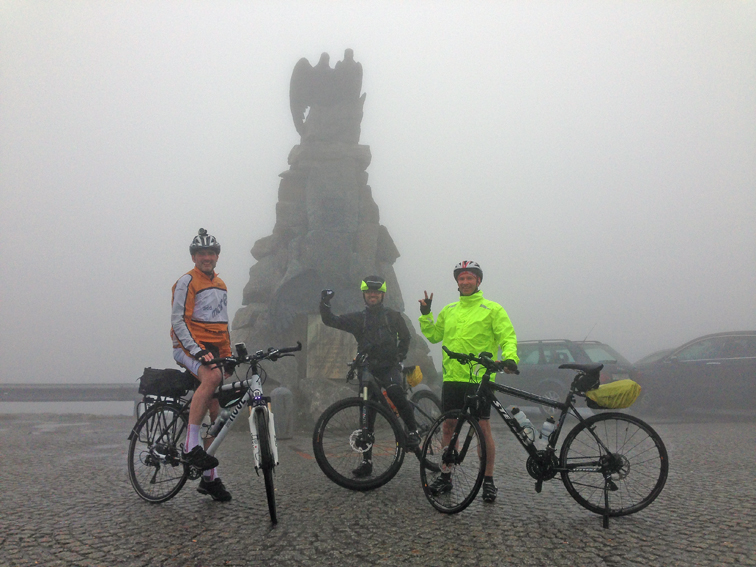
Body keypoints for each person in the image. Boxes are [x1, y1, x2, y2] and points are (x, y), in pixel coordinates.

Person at [418, 261, 518, 503]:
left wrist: (510, 358)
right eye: (461, 279)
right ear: (457, 282)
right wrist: (426, 314)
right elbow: (434, 336)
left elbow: (507, 336)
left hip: (479, 380)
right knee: (448, 427)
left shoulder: (492, 309)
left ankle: (488, 480)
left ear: (478, 281)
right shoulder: (449, 310)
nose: (465, 282)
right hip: (452, 378)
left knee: (483, 429)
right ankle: (446, 476)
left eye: (469, 278)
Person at [320, 276, 420, 477]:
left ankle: (413, 431)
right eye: (369, 292)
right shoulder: (359, 318)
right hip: (367, 369)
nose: (372, 295)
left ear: (382, 295)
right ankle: (367, 461)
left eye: (376, 292)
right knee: (366, 414)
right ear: (364, 295)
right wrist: (325, 302)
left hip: (389, 367)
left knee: (395, 393)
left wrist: (400, 356)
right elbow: (330, 320)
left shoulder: (393, 316)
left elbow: (406, 337)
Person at [171, 228, 232, 502]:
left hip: (213, 351)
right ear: (194, 257)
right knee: (211, 379)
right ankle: (190, 446)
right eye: (201, 254)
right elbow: (178, 321)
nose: (206, 258)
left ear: (216, 256)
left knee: (217, 414)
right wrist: (197, 351)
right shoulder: (187, 281)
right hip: (187, 347)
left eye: (210, 253)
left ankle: (209, 478)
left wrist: (227, 354)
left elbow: (222, 325)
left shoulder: (221, 285)